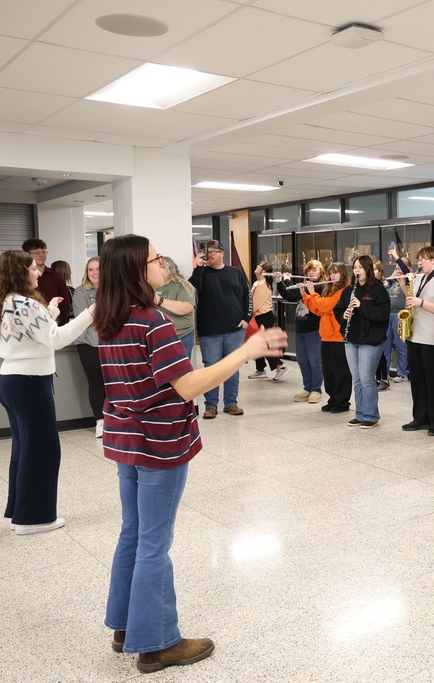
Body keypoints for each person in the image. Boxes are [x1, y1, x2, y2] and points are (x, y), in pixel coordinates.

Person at [94, 234, 285, 673]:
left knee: (134, 533)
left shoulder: (111, 319)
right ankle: (158, 641)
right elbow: (189, 385)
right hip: (159, 442)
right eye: (157, 259)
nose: (165, 264)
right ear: (137, 270)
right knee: (154, 543)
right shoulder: (151, 322)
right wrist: (247, 351)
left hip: (126, 440)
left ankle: (126, 625)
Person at [0, 249, 94, 535]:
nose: (38, 272)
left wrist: (53, 311)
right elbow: (55, 339)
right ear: (20, 272)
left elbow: (33, 333)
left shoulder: (8, 301)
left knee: (26, 448)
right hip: (29, 382)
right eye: (33, 269)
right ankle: (34, 519)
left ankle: (20, 511)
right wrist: (89, 314)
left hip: (11, 381)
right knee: (43, 450)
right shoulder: (25, 303)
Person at [188, 239, 251, 418]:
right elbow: (193, 290)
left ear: (222, 253)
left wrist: (247, 318)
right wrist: (198, 267)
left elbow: (248, 297)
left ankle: (231, 403)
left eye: (214, 252)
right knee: (211, 369)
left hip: (235, 330)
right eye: (208, 252)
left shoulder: (236, 273)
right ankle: (211, 405)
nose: (210, 255)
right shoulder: (201, 273)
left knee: (232, 368)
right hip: (210, 332)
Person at [400, 246, 434, 437]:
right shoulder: (418, 278)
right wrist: (405, 289)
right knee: (418, 381)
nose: (419, 263)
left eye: (424, 259)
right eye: (418, 259)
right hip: (415, 335)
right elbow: (412, 300)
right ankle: (420, 417)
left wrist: (421, 303)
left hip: (433, 337)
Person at [337, 255, 390, 429]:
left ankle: (371, 415)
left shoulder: (378, 290)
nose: (356, 271)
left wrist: (362, 306)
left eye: (360, 267)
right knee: (357, 378)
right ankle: (359, 414)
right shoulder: (349, 290)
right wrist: (343, 316)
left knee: (367, 378)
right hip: (351, 339)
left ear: (368, 269)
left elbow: (382, 316)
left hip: (371, 340)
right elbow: (337, 309)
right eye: (354, 267)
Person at [304, 262, 352, 413]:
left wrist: (312, 293)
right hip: (326, 337)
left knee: (340, 372)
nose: (332, 276)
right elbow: (318, 310)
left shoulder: (344, 290)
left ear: (343, 274)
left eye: (336, 273)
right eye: (331, 273)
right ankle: (333, 399)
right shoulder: (330, 289)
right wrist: (304, 295)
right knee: (329, 371)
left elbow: (325, 306)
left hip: (338, 336)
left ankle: (342, 402)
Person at [277, 260, 324, 403]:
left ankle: (316, 389)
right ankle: (307, 388)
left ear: (321, 272)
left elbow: (310, 296)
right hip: (300, 329)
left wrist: (290, 282)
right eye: (309, 271)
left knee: (314, 361)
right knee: (303, 361)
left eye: (314, 270)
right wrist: (280, 282)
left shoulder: (322, 286)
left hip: (314, 330)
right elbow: (289, 295)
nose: (311, 273)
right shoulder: (305, 285)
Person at [72, 257, 105, 438]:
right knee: (96, 383)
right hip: (88, 343)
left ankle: (116, 420)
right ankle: (100, 421)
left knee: (113, 383)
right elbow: (83, 318)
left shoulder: (113, 289)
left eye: (98, 269)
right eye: (90, 269)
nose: (94, 273)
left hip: (110, 343)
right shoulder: (80, 292)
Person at [247, 261, 288, 381]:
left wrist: (247, 314)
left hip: (264, 316)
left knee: (264, 344)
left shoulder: (262, 284)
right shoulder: (257, 283)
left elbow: (255, 305)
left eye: (259, 266)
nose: (257, 267)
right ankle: (260, 369)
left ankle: (280, 366)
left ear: (264, 271)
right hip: (259, 316)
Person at [155, 256, 198, 362]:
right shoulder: (151, 286)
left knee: (180, 373)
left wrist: (159, 301)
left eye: (160, 267)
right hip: (158, 337)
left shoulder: (183, 286)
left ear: (169, 269)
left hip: (181, 336)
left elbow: (186, 308)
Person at [22, 238, 70, 325]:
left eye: (43, 252)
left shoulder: (56, 276)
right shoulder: (22, 278)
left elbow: (64, 305)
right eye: (37, 253)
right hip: (31, 325)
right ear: (27, 255)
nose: (42, 255)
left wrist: (63, 326)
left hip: (54, 324)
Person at [383, 248, 412, 383]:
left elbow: (410, 297)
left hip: (400, 314)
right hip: (387, 314)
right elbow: (382, 291)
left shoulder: (410, 279)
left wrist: (402, 282)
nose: (398, 268)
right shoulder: (391, 280)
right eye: (396, 266)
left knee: (401, 345)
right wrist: (392, 276)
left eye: (401, 266)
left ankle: (402, 373)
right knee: (386, 345)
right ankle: (385, 372)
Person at [372, 259, 391, 392]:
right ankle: (377, 378)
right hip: (370, 322)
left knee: (380, 353)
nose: (373, 272)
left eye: (375, 269)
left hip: (380, 322)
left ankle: (384, 378)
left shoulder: (383, 285)